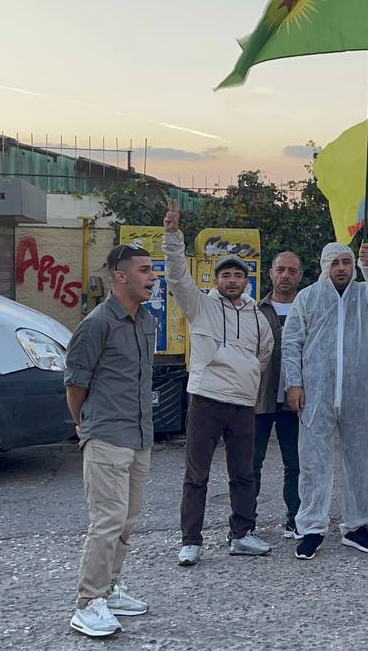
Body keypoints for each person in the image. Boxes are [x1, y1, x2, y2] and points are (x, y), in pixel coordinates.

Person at [164, 199, 274, 567]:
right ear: (215, 280)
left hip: (242, 403)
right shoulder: (200, 305)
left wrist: (246, 376)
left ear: (246, 281)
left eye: (238, 276)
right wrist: (172, 235)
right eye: (225, 275)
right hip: (206, 400)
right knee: (197, 474)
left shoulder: (257, 316)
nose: (232, 280)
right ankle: (190, 541)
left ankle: (242, 535)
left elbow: (264, 353)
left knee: (244, 474)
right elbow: (177, 275)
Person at [65, 244, 157, 637]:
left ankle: (109, 588)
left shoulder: (146, 321)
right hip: (106, 435)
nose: (153, 277)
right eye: (145, 270)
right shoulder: (97, 324)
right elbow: (75, 385)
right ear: (121, 276)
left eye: (152, 270)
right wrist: (83, 423)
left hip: (139, 435)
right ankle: (87, 603)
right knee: (107, 520)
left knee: (127, 519)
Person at [283, 240, 368, 560]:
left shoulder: (364, 294)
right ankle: (311, 528)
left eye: (347, 262)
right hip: (316, 392)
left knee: (358, 460)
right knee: (313, 461)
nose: (342, 268)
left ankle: (356, 526)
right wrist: (293, 383)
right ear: (324, 266)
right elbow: (291, 343)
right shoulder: (308, 297)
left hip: (358, 392)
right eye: (335, 263)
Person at [254, 251, 304, 540]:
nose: (285, 275)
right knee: (251, 464)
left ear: (300, 275)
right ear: (271, 273)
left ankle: (295, 520)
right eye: (280, 269)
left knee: (296, 464)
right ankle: (245, 524)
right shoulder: (255, 310)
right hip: (259, 397)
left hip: (295, 400)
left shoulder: (307, 309)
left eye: (292, 271)